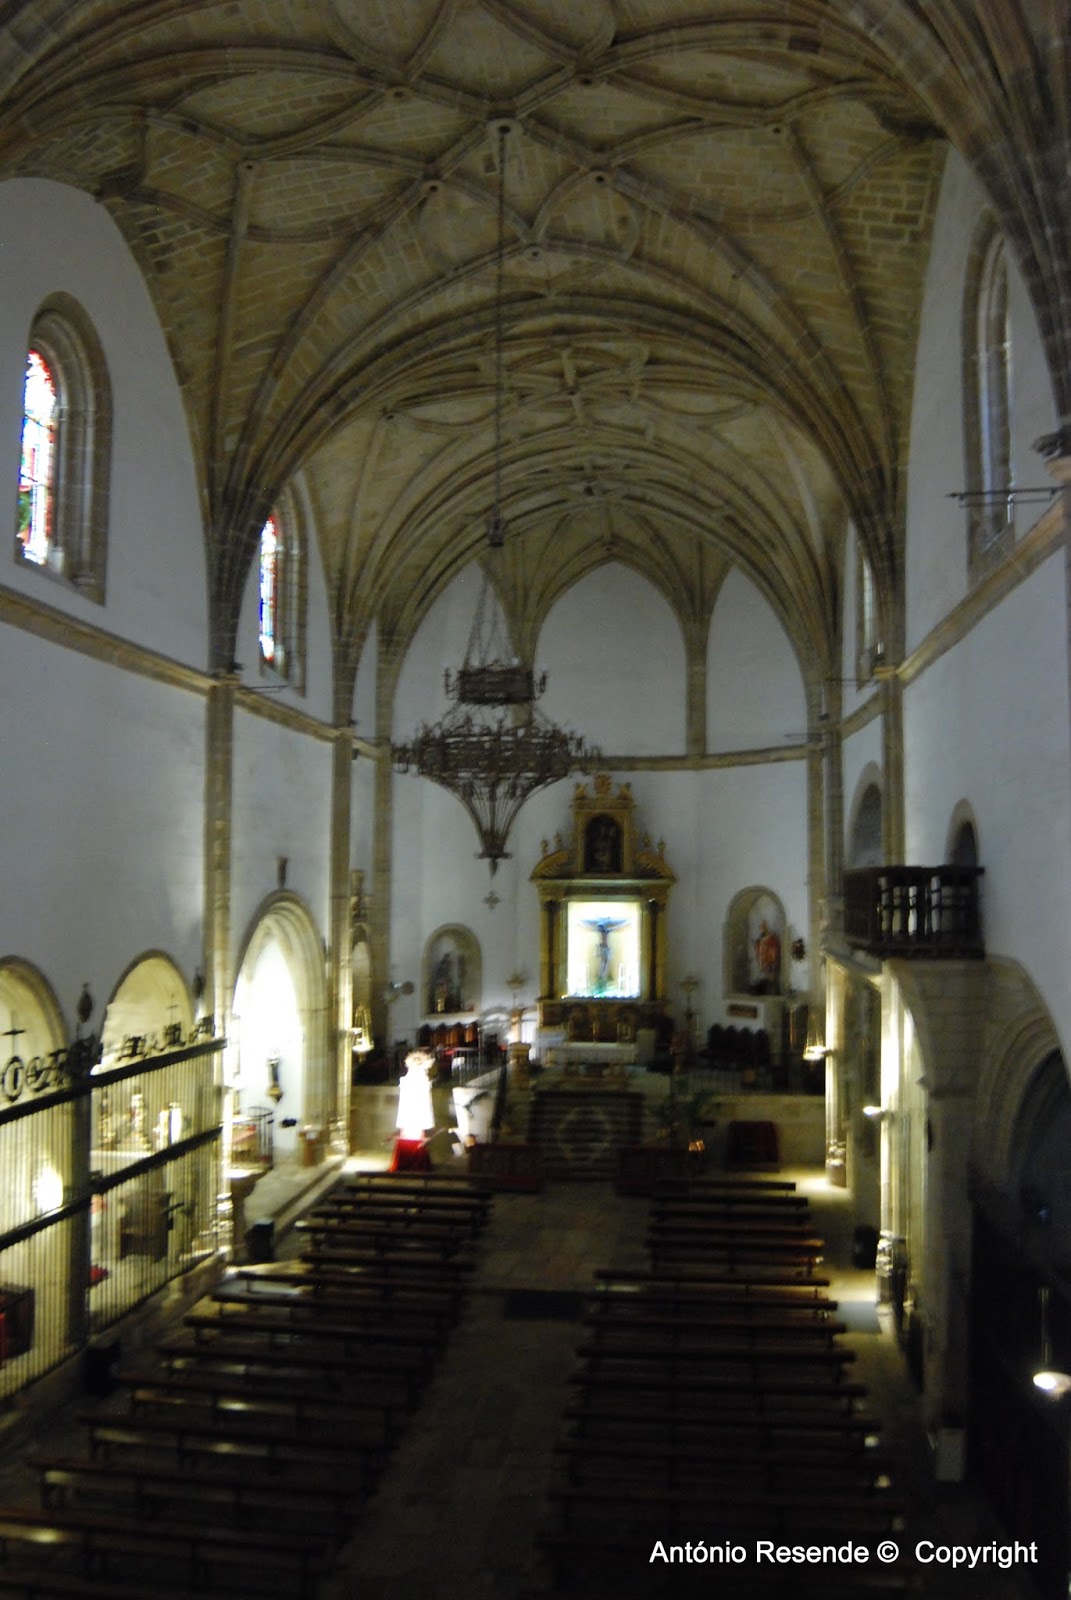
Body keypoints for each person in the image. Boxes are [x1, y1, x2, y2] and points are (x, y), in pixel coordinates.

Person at [753, 920, 781, 993]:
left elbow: (773, 950)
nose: (762, 929)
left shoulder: (772, 938)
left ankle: (771, 991)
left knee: (770, 977)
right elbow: (758, 949)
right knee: (763, 976)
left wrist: (771, 961)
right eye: (761, 928)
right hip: (762, 961)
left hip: (769, 962)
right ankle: (764, 989)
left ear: (766, 928)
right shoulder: (760, 939)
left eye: (763, 927)